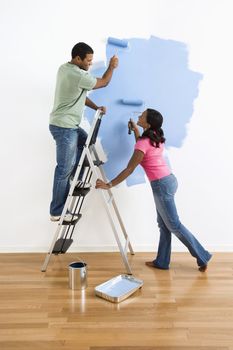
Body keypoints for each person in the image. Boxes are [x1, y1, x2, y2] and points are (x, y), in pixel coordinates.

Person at [95, 108, 212, 272]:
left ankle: (203, 255)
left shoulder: (144, 142)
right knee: (164, 225)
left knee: (174, 225)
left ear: (148, 123)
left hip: (161, 185)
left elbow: (130, 169)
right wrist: (137, 130)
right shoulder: (156, 137)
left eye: (142, 116)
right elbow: (142, 149)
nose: (139, 116)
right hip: (168, 180)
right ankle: (162, 261)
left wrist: (109, 185)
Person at [49, 42, 118, 222]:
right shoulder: (77, 74)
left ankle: (77, 176)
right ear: (77, 58)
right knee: (64, 168)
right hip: (64, 127)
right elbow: (104, 82)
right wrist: (111, 67)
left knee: (86, 143)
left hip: (66, 124)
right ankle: (57, 210)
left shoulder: (65, 69)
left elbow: (79, 95)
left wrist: (96, 107)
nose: (90, 64)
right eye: (88, 61)